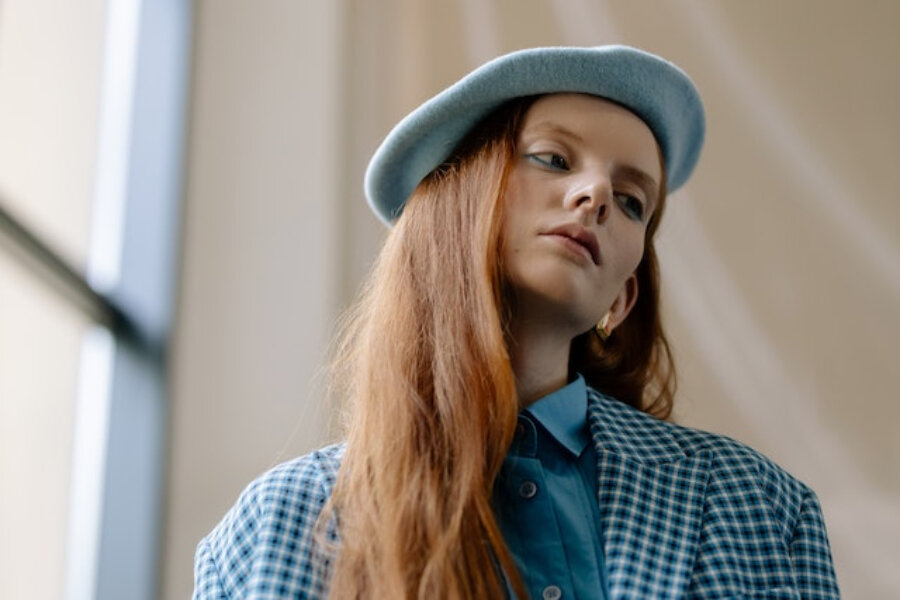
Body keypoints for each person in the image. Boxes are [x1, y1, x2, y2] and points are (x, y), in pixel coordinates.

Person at [193, 46, 840, 599]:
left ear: (623, 298)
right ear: (456, 205)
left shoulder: (760, 507)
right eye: (555, 159)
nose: (595, 198)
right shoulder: (273, 528)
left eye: (632, 201)